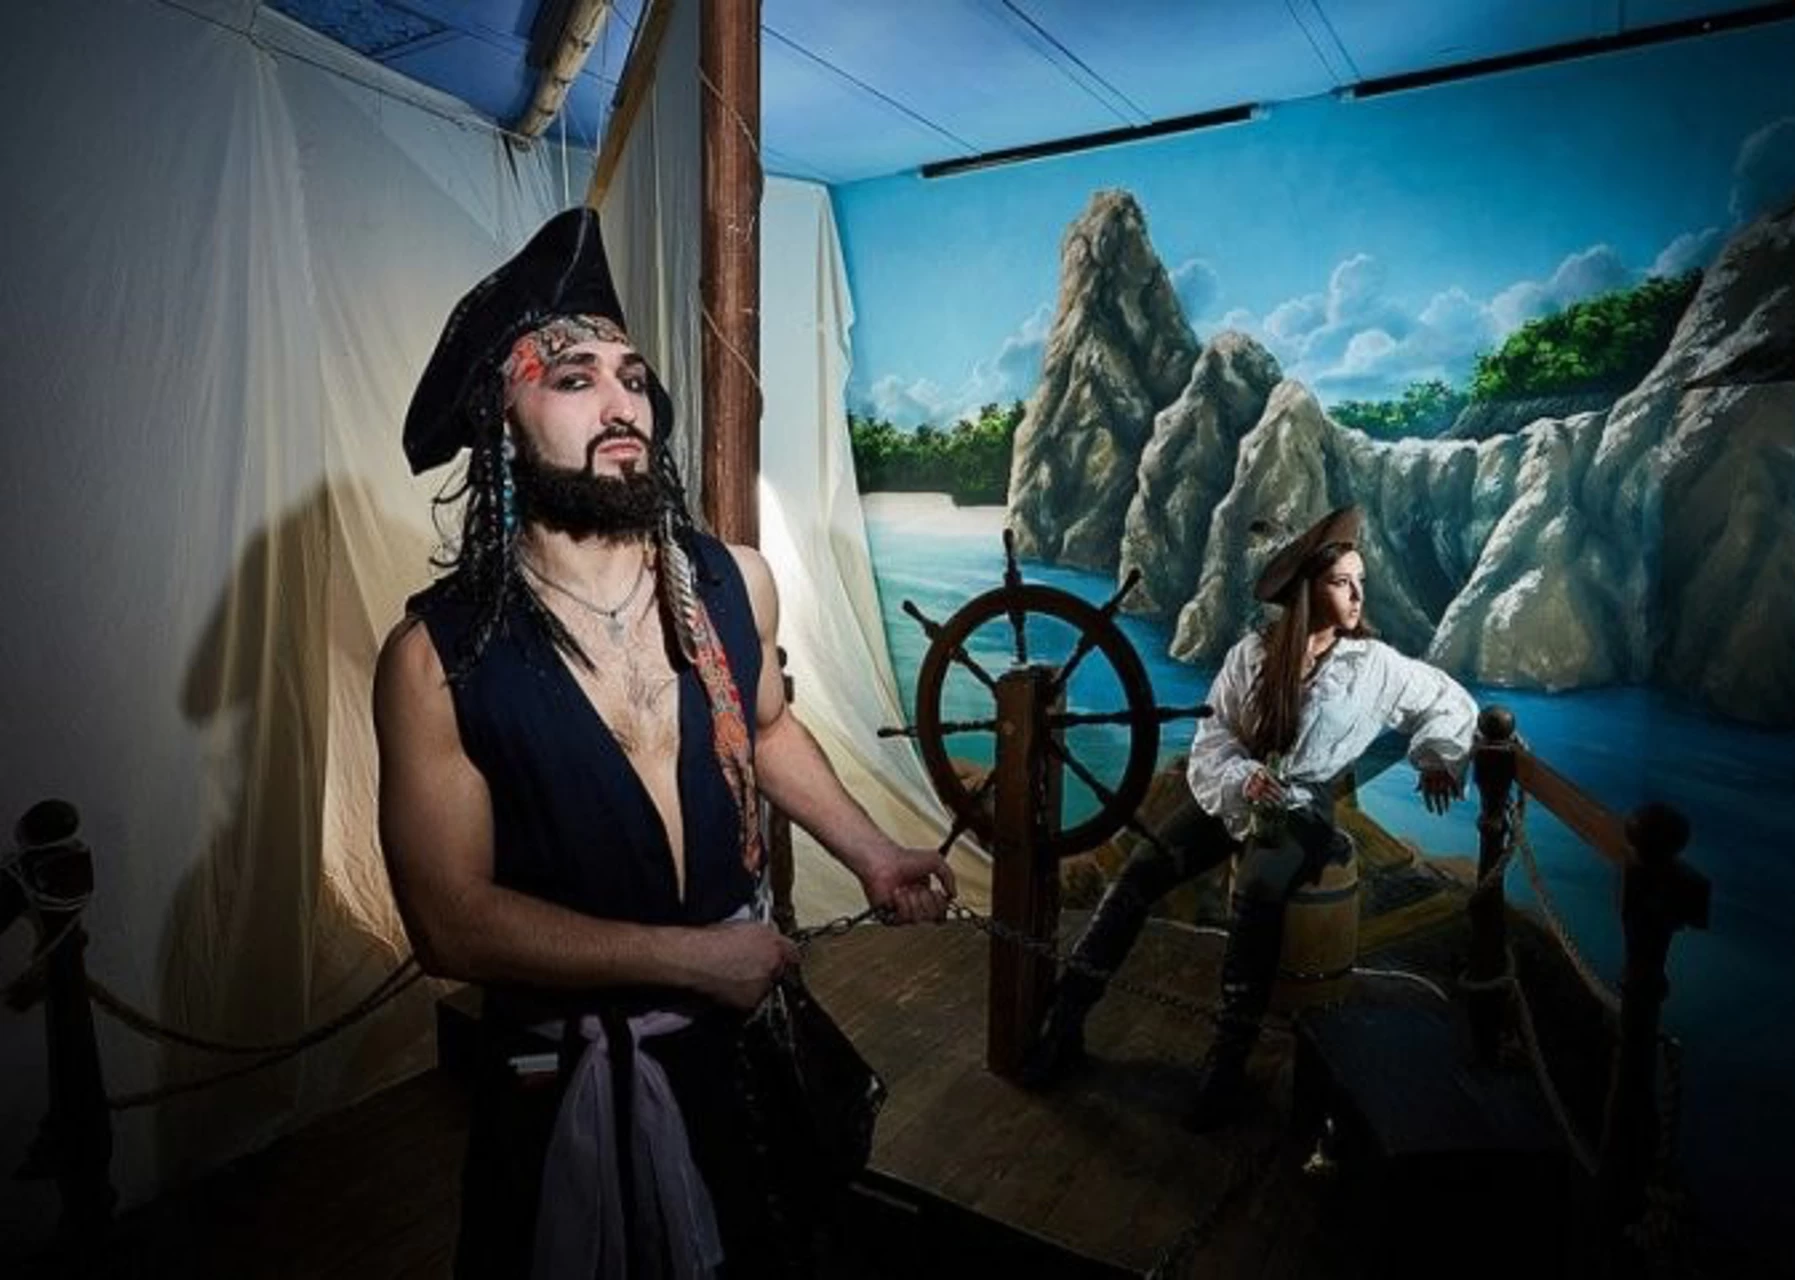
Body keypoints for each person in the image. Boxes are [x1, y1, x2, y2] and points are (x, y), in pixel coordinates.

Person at [372, 207, 954, 1278]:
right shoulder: (434, 661)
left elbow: (765, 731)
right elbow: (450, 923)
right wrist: (692, 959)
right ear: (502, 420)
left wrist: (872, 851)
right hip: (560, 1087)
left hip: (741, 1071)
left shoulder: (734, 582)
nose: (622, 403)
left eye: (633, 378)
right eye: (574, 378)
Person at [1021, 504, 1477, 1130]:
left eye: (1360, 582)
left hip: (1302, 805)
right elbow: (1215, 738)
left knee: (1258, 890)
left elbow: (1447, 700)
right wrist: (1242, 777)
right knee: (1140, 875)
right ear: (1307, 590)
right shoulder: (1252, 655)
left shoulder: (1374, 666)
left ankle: (1225, 1066)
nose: (1356, 595)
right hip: (1236, 793)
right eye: (1342, 582)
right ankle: (1065, 1021)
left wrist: (1437, 757)